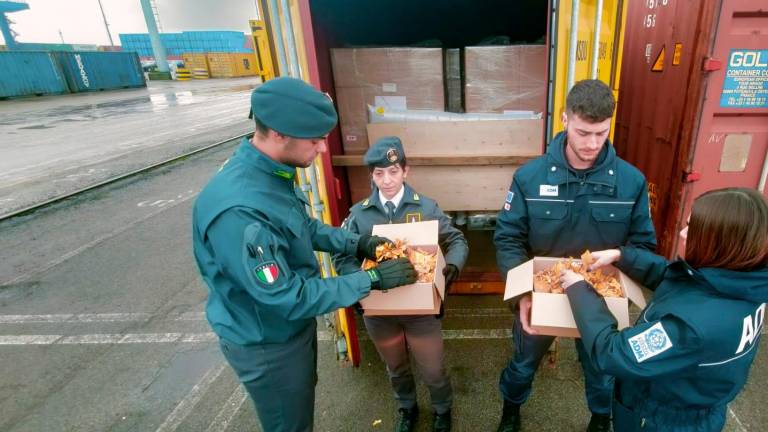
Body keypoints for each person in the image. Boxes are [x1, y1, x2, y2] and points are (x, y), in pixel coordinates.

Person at [192, 77, 417, 432]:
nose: (322, 150)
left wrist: (353, 242)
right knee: (290, 423)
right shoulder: (240, 211)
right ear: (280, 133)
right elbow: (287, 296)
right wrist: (369, 278)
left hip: (287, 328)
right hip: (268, 342)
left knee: (300, 406)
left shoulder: (272, 172)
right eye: (314, 140)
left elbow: (302, 227)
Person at [493, 79, 657, 432]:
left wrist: (620, 256)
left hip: (599, 298)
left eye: (601, 133)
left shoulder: (631, 182)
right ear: (565, 119)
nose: (592, 144)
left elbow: (644, 247)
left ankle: (600, 418)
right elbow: (508, 238)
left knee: (602, 368)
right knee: (523, 363)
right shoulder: (529, 178)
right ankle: (511, 410)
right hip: (542, 293)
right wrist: (520, 293)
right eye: (584, 133)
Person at [560, 187, 768, 432]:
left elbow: (614, 353)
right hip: (691, 401)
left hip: (661, 419)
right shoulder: (742, 283)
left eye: (692, 228)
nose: (682, 232)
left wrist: (580, 290)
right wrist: (621, 256)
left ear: (719, 242)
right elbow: (674, 277)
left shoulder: (692, 327)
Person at [332, 136, 469, 432]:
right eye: (379, 173)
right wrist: (356, 283)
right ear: (371, 175)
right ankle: (407, 409)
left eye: (393, 172)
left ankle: (442, 410)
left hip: (421, 310)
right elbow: (342, 254)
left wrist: (453, 265)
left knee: (433, 368)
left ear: (405, 171)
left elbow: (456, 238)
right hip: (379, 310)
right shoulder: (359, 214)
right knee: (395, 367)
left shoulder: (427, 207)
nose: (387, 180)